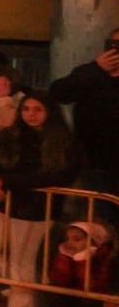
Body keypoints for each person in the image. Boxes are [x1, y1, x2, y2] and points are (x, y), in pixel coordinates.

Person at [0, 96, 73, 307]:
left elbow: (57, 175)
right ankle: (26, 288)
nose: (31, 114)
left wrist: (7, 181)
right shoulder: (10, 135)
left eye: (38, 109)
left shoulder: (62, 142)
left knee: (22, 261)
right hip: (3, 202)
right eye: (27, 109)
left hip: (34, 208)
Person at [48, 27, 119, 196]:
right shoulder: (90, 74)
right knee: (98, 214)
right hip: (92, 159)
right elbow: (58, 93)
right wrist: (96, 68)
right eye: (114, 44)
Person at [42, 221, 115, 307]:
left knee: (95, 298)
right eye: (68, 238)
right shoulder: (66, 253)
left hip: (92, 300)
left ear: (93, 241)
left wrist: (83, 260)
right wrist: (65, 258)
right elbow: (60, 279)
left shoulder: (102, 257)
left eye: (77, 239)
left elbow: (94, 284)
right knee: (53, 288)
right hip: (72, 295)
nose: (70, 243)